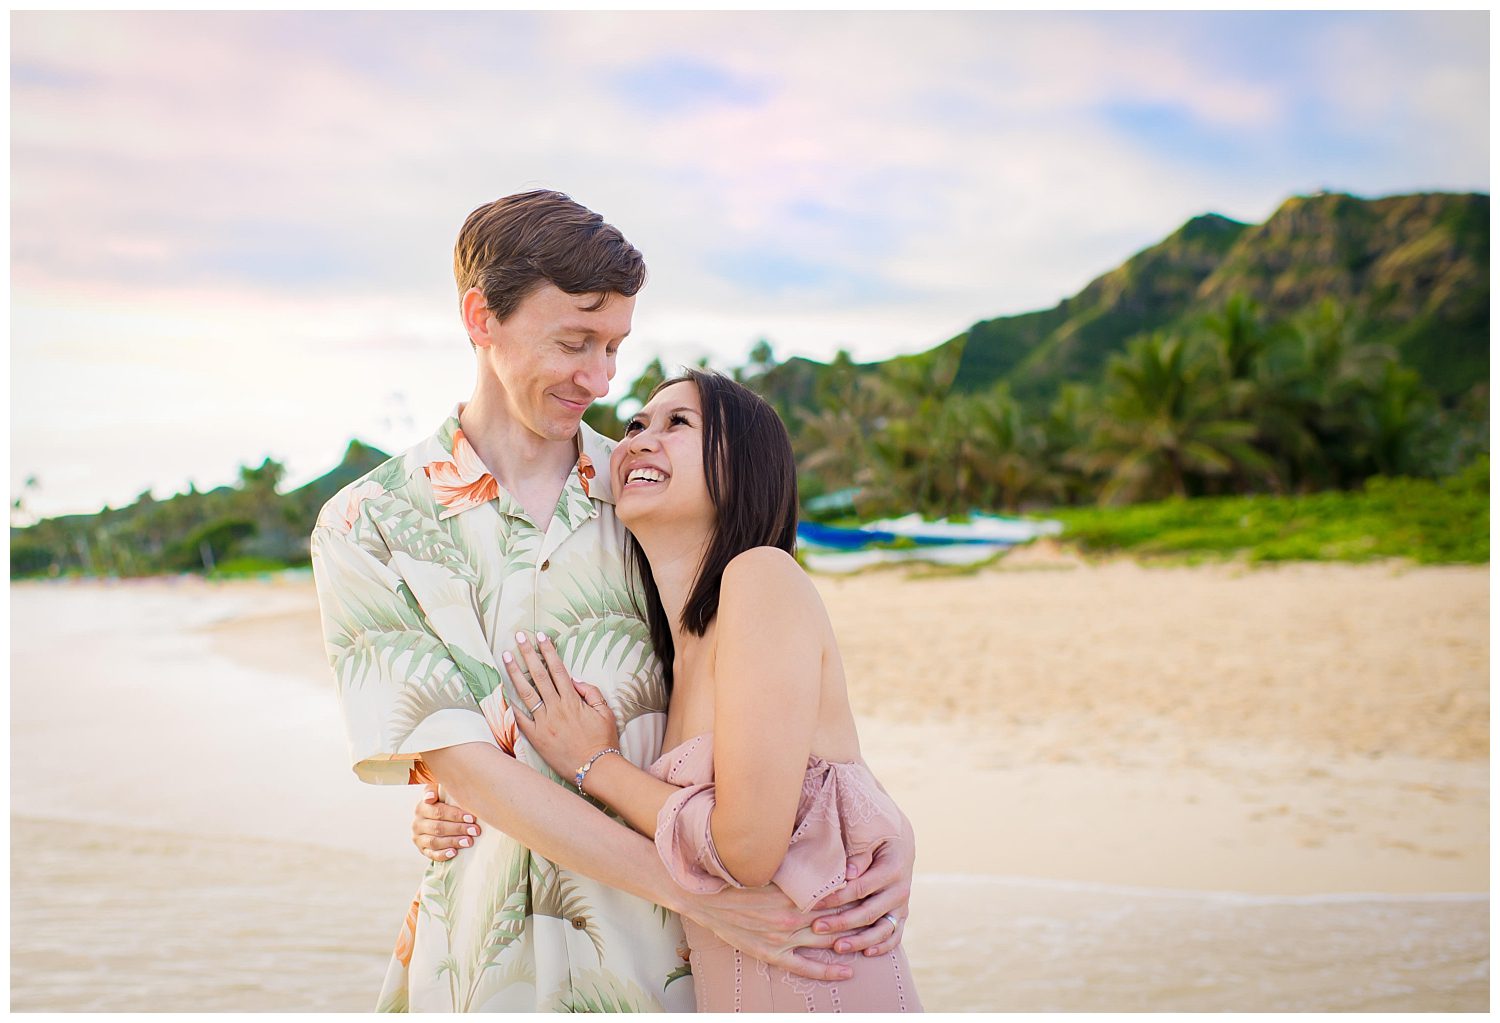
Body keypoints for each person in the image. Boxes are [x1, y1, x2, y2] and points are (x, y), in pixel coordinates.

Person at [310, 190, 915, 1013]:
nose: (598, 378)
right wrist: (703, 892)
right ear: (481, 318)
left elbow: (780, 719)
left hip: (670, 967)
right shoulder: (366, 525)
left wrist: (877, 833)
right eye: (573, 342)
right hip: (485, 964)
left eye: (614, 346)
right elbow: (467, 771)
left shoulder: (652, 498)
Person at [493, 368, 922, 1011]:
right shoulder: (670, 652)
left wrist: (593, 763)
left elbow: (747, 850)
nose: (639, 438)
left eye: (678, 424)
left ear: (741, 467)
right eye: (636, 424)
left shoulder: (760, 577)